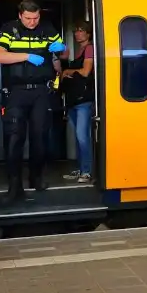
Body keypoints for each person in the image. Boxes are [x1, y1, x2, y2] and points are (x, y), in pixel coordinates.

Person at [0, 0, 64, 203]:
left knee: (40, 138)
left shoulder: (47, 28)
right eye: (28, 18)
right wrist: (26, 56)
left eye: (36, 18)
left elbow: (63, 53)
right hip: (16, 92)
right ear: (20, 15)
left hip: (41, 92)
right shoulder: (9, 29)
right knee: (14, 140)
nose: (32, 22)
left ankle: (36, 178)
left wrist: (61, 48)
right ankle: (15, 187)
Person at [60, 24, 95, 183]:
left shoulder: (89, 49)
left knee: (82, 137)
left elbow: (86, 72)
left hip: (83, 100)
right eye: (76, 30)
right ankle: (82, 168)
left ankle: (87, 171)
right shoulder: (80, 51)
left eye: (81, 30)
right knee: (78, 137)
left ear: (88, 34)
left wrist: (68, 72)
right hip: (74, 100)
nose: (77, 33)